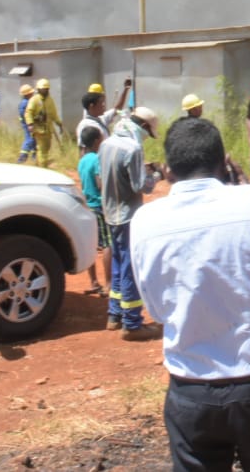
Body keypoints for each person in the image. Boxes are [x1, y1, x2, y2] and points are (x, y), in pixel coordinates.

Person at [130, 115, 250, 472]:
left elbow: (157, 310)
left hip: (190, 394)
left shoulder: (145, 221)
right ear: (223, 162)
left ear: (168, 169)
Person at [100, 107, 163, 341]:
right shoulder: (133, 148)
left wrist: (144, 170)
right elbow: (140, 186)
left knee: (118, 262)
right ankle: (132, 323)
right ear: (144, 127)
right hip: (128, 215)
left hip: (110, 212)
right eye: (148, 133)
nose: (146, 138)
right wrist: (157, 175)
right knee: (130, 266)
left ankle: (114, 315)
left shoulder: (107, 143)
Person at [77, 125, 110, 296]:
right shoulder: (97, 159)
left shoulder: (82, 160)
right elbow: (99, 183)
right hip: (99, 205)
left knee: (91, 244)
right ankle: (109, 284)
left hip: (87, 205)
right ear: (97, 141)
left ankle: (94, 282)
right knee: (107, 244)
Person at [25, 78, 66, 169]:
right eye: (42, 89)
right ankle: (43, 167)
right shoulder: (34, 100)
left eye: (46, 89)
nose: (44, 90)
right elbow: (28, 112)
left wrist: (59, 123)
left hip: (48, 129)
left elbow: (54, 114)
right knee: (42, 149)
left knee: (46, 148)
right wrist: (30, 124)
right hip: (38, 129)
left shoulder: (50, 100)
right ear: (38, 89)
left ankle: (40, 165)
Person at [77, 79, 134, 145]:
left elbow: (117, 109)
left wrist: (125, 89)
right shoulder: (85, 125)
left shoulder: (101, 118)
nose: (103, 105)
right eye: (101, 102)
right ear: (92, 106)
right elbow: (83, 148)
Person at [16, 83, 38, 164]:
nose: (32, 94)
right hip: (28, 124)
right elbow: (24, 115)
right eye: (31, 93)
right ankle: (22, 157)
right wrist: (30, 123)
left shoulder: (27, 102)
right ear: (28, 94)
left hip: (29, 123)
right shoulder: (25, 103)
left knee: (34, 139)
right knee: (30, 139)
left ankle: (34, 157)